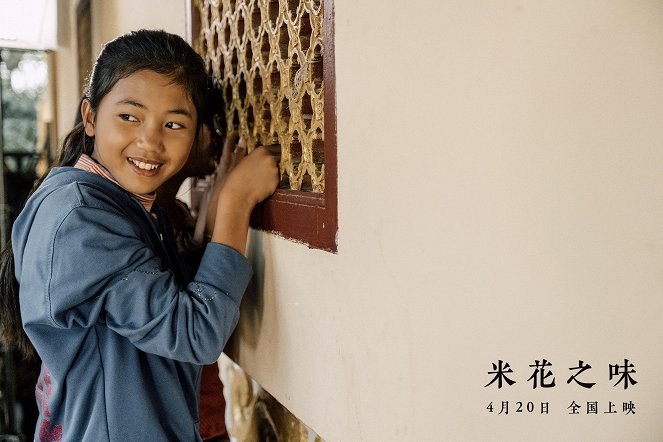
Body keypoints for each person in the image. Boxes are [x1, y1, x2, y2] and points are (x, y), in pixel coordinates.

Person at [0, 29, 279, 441]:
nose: (150, 141)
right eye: (129, 116)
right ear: (91, 117)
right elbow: (194, 332)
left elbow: (170, 301)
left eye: (173, 123)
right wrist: (237, 201)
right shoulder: (82, 219)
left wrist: (214, 213)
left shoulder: (119, 204)